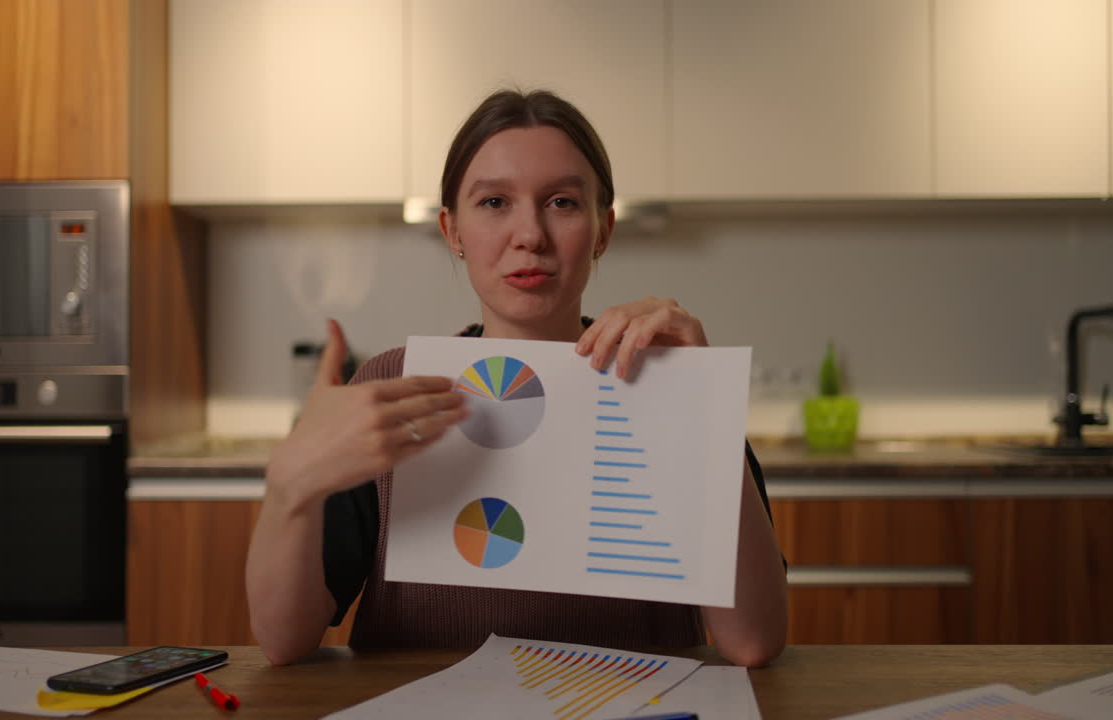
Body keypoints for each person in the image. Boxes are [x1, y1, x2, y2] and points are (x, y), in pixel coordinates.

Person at [245, 89, 788, 668]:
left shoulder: (667, 384)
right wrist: (289, 486)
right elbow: (283, 641)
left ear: (603, 230)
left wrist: (701, 401)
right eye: (495, 202)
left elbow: (753, 641)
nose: (529, 233)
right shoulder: (388, 390)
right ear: (452, 231)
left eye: (561, 202)